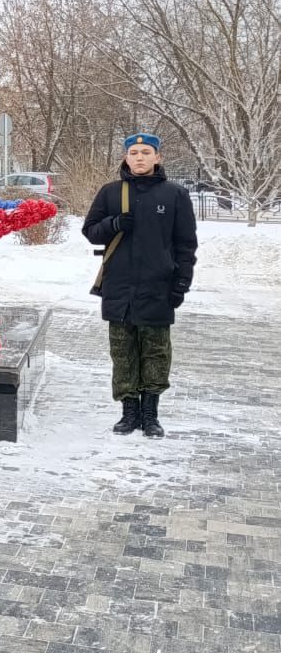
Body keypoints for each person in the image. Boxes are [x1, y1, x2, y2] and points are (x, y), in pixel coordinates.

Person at [83, 133, 197, 438]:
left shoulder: (175, 195)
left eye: (146, 152)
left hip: (158, 288)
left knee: (156, 353)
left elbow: (185, 244)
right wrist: (113, 224)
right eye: (134, 152)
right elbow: (90, 232)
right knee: (122, 353)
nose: (140, 157)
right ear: (126, 157)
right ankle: (129, 412)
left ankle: (150, 414)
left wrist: (181, 282)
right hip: (119, 288)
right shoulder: (110, 193)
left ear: (157, 157)